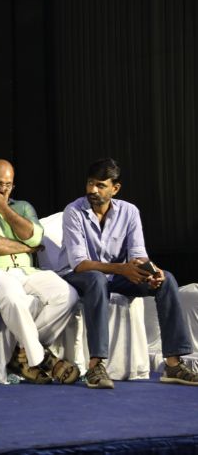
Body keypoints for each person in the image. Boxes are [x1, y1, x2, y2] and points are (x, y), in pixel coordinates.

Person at [58, 158, 198, 388]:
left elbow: (138, 253)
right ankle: (96, 366)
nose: (93, 190)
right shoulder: (73, 211)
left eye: (100, 185)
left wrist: (151, 271)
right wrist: (122, 268)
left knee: (167, 280)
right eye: (90, 183)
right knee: (96, 279)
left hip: (115, 276)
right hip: (78, 277)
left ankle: (173, 364)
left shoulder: (129, 211)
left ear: (115, 188)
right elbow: (79, 264)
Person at [0, 159, 80, 384]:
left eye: (8, 185)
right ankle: (42, 359)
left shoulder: (24, 207)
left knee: (68, 296)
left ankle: (22, 353)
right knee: (14, 300)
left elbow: (36, 237)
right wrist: (27, 247)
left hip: (27, 270)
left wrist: (4, 209)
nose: (3, 190)